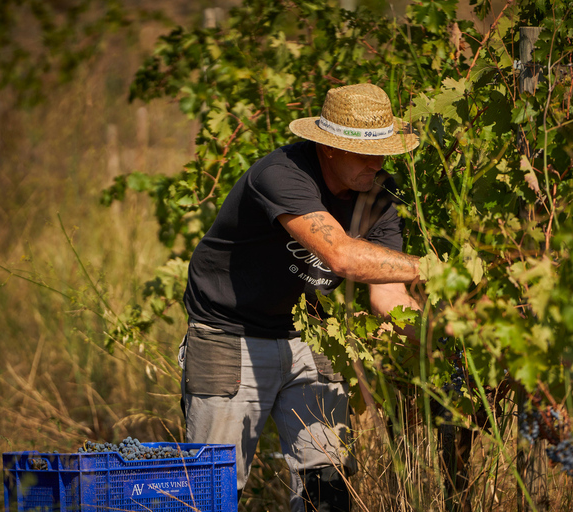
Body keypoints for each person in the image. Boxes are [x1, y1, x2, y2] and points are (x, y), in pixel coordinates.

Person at [179, 83, 422, 512]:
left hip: (312, 333)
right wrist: (434, 268)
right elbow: (341, 256)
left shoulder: (379, 193)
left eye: (384, 150)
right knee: (214, 488)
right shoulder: (282, 174)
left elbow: (388, 292)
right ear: (328, 148)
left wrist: (437, 338)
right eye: (365, 152)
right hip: (229, 334)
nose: (378, 162)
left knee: (328, 479)